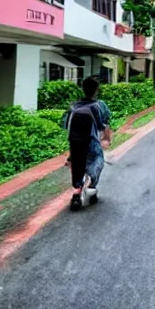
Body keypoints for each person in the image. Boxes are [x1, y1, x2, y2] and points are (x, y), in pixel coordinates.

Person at [62, 77, 112, 211]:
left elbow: (66, 125)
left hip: (75, 142)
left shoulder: (73, 106)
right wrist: (106, 138)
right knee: (97, 162)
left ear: (82, 89)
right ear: (96, 90)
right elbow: (102, 124)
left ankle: (76, 195)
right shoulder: (97, 105)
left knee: (78, 167)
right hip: (91, 142)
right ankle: (91, 189)